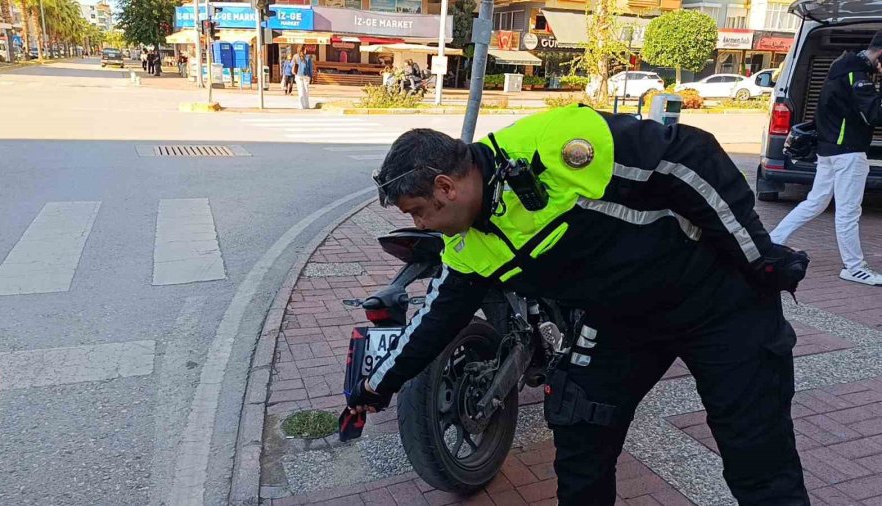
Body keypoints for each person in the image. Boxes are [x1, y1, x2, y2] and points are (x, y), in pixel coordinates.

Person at [348, 105, 812, 505]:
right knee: (580, 438)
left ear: (446, 187)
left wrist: (758, 255)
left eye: (417, 211)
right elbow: (434, 321)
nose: (420, 224)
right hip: (618, 319)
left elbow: (691, 156)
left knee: (757, 458)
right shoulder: (465, 248)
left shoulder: (555, 144)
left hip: (716, 298)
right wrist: (374, 387)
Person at [770, 31, 882, 286]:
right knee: (848, 212)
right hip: (848, 153)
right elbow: (875, 114)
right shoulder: (857, 77)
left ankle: (773, 240)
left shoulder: (839, 70)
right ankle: (854, 267)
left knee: (816, 202)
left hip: (829, 151)